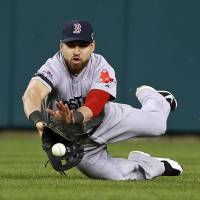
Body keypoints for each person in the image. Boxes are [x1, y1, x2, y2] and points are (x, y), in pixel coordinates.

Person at [22, 19, 183, 180]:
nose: (76, 51)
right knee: (118, 176)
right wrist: (38, 121)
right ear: (61, 47)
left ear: (92, 46)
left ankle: (154, 98)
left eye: (83, 45)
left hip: (107, 120)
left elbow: (96, 103)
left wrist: (75, 117)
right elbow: (32, 94)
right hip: (76, 141)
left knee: (158, 126)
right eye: (71, 45)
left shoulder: (101, 67)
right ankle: (156, 165)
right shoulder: (53, 67)